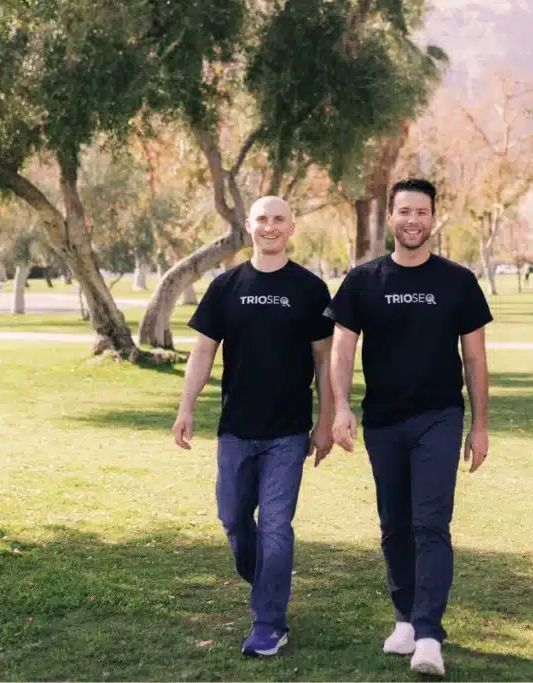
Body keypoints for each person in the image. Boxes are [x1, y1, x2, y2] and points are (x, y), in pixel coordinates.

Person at [325, 178, 493, 677]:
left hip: (439, 417)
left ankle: (428, 635)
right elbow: (341, 349)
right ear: (391, 218)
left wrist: (480, 426)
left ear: (433, 218)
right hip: (382, 421)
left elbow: (476, 358)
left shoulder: (458, 282)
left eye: (422, 212)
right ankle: (403, 617)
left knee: (430, 523)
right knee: (394, 523)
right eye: (404, 211)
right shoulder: (363, 280)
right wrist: (340, 408)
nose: (413, 220)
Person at [171, 195, 335, 658]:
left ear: (291, 227)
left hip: (287, 432)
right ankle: (265, 576)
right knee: (233, 519)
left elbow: (325, 360)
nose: (270, 226)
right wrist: (186, 407)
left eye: (278, 219)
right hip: (236, 430)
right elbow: (203, 351)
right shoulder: (226, 286)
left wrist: (324, 421)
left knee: (277, 526)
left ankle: (269, 623)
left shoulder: (310, 289)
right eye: (262, 219)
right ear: (249, 226)